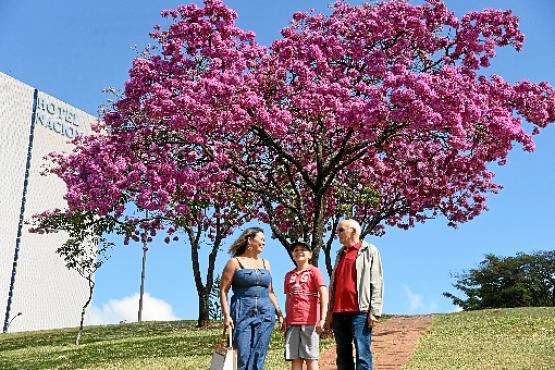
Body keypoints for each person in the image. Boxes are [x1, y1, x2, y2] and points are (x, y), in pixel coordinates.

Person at [220, 226, 285, 370]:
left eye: (264, 240)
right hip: (242, 311)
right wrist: (226, 316)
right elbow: (223, 291)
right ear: (250, 240)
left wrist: (280, 314)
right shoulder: (234, 262)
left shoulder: (266, 263)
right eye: (261, 239)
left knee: (259, 355)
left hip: (266, 313)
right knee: (242, 355)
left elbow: (270, 292)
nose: (264, 243)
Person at [324, 219, 384, 370]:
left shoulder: (369, 250)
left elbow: (377, 282)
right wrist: (329, 314)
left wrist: (375, 311)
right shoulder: (339, 254)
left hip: (360, 312)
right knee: (342, 355)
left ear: (354, 231)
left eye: (341, 230)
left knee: (362, 353)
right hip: (338, 313)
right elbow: (333, 285)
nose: (337, 233)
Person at [283, 241, 328, 370]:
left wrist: (323, 318)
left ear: (310, 254)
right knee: (295, 359)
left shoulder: (314, 271)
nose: (299, 252)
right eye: (296, 250)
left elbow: (323, 293)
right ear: (292, 255)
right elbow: (288, 298)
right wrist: (286, 317)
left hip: (310, 321)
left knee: (311, 358)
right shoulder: (288, 275)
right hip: (292, 321)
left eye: (303, 249)